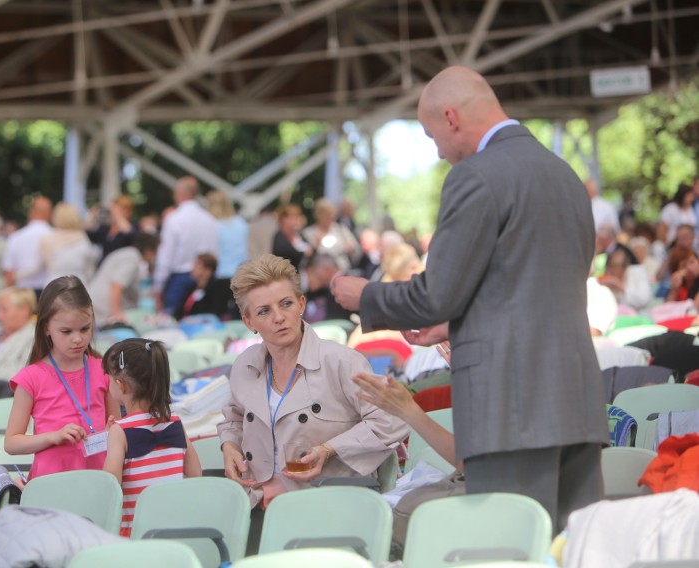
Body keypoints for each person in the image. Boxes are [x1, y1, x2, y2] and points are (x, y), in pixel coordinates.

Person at [331, 66, 608, 532]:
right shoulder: (563, 174)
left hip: (510, 406)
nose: (435, 149)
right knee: (570, 547)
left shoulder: (475, 175)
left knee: (507, 548)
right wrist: (461, 324)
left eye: (429, 133)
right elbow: (538, 286)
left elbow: (436, 293)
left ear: (451, 117)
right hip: (575, 397)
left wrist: (366, 294)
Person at [217, 254, 407, 511]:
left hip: (331, 504)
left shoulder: (341, 361)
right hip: (257, 503)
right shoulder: (244, 365)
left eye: (286, 304)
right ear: (248, 321)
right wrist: (229, 446)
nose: (279, 317)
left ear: (301, 303)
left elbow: (393, 419)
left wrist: (329, 449)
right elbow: (234, 418)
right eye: (264, 311)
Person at [4, 275, 121, 479]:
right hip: (51, 486)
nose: (77, 339)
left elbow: (118, 427)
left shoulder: (102, 368)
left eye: (85, 329)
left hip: (98, 482)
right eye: (66, 331)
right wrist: (53, 437)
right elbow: (11, 443)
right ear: (46, 327)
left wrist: (114, 431)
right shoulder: (31, 377)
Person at [102, 338, 202, 537]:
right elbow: (195, 473)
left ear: (121, 386)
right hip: (174, 529)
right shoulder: (174, 422)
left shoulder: (120, 430)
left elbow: (110, 485)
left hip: (135, 533)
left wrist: (109, 441)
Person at [152, 177, 218, 315]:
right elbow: (214, 253)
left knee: (171, 324)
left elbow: (166, 257)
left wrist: (158, 288)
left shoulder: (174, 219)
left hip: (179, 280)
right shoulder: (209, 219)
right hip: (206, 278)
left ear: (180, 193)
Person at [88, 233, 159, 324]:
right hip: (103, 305)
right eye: (155, 252)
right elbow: (117, 284)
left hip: (96, 300)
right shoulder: (133, 258)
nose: (155, 256)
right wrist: (117, 313)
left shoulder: (127, 252)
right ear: (148, 250)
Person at [207, 189, 248, 318]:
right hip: (241, 274)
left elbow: (211, 252)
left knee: (219, 315)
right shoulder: (241, 222)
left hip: (221, 274)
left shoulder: (213, 225)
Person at [2, 196, 53, 296]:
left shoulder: (16, 237)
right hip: (49, 293)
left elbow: (8, 272)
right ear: (50, 213)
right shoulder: (55, 236)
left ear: (31, 211)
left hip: (23, 292)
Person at [40, 202, 98, 285]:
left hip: (54, 285)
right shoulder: (83, 237)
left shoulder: (48, 238)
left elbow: (46, 265)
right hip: (80, 285)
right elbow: (90, 267)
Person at [302, 198, 361, 271]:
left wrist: (350, 249)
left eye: (332, 214)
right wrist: (315, 244)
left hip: (342, 271)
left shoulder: (341, 230)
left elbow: (357, 250)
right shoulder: (308, 233)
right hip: (320, 273)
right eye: (327, 215)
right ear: (318, 215)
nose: (331, 217)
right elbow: (305, 258)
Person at [86, 195, 136, 264]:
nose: (112, 212)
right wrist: (92, 216)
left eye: (119, 209)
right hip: (105, 266)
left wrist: (118, 216)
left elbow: (130, 235)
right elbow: (89, 234)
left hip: (122, 265)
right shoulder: (105, 228)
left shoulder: (133, 227)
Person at [172, 253, 218, 321]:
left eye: (197, 265)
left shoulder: (215, 291)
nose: (193, 268)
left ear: (208, 271)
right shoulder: (192, 288)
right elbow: (179, 311)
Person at [271, 203, 312, 271]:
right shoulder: (279, 237)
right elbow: (284, 255)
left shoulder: (298, 234)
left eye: (296, 217)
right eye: (292, 217)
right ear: (283, 219)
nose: (295, 220)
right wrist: (303, 253)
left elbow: (310, 247)